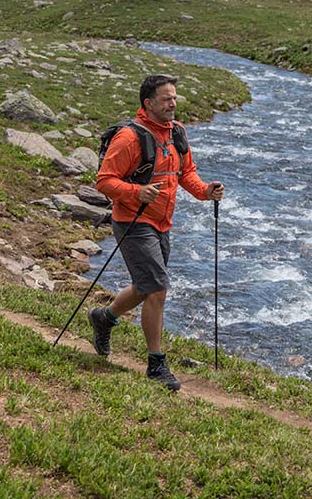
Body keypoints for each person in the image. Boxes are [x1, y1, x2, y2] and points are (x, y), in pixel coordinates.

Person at [90, 74, 225, 391]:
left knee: (144, 286)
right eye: (166, 98)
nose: (173, 103)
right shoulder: (129, 138)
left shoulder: (177, 132)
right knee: (158, 289)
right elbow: (105, 181)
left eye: (175, 97)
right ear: (148, 103)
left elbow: (185, 173)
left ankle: (104, 317)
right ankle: (156, 364)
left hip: (162, 222)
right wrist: (136, 193)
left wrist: (205, 191)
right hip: (133, 221)